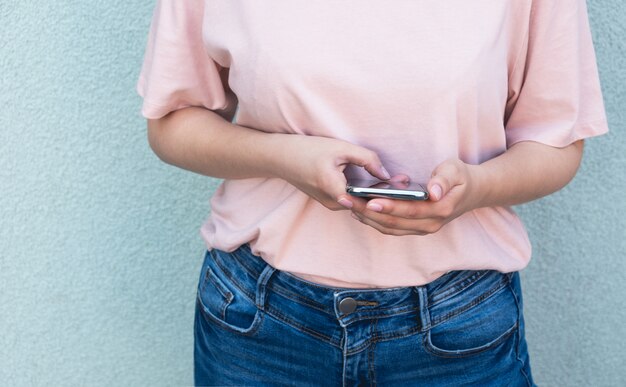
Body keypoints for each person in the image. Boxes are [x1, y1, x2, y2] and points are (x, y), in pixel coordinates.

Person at [136, 0, 608, 385]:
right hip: (258, 324)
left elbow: (554, 143)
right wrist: (283, 158)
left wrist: (476, 189)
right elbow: (173, 123)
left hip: (458, 328)